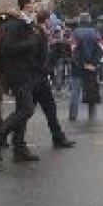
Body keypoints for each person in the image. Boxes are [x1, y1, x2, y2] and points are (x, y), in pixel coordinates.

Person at [0, 0, 43, 162]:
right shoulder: (14, 25)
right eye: (34, 2)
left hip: (25, 72)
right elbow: (7, 48)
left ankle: (19, 147)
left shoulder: (27, 24)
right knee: (26, 109)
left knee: (22, 109)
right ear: (26, 5)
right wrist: (31, 43)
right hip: (16, 73)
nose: (36, 5)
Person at [35, 10, 76, 147]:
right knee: (25, 111)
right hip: (37, 76)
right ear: (46, 20)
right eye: (50, 21)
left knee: (50, 108)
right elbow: (44, 51)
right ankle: (1, 137)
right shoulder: (38, 32)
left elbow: (54, 43)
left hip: (41, 77)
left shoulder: (43, 33)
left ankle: (58, 138)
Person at [70, 13, 103, 120]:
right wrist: (94, 64)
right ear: (89, 20)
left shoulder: (75, 32)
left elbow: (74, 51)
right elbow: (100, 49)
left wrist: (82, 64)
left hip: (78, 68)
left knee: (75, 93)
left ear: (80, 20)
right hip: (92, 69)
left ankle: (73, 116)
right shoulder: (96, 32)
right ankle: (92, 116)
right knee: (91, 91)